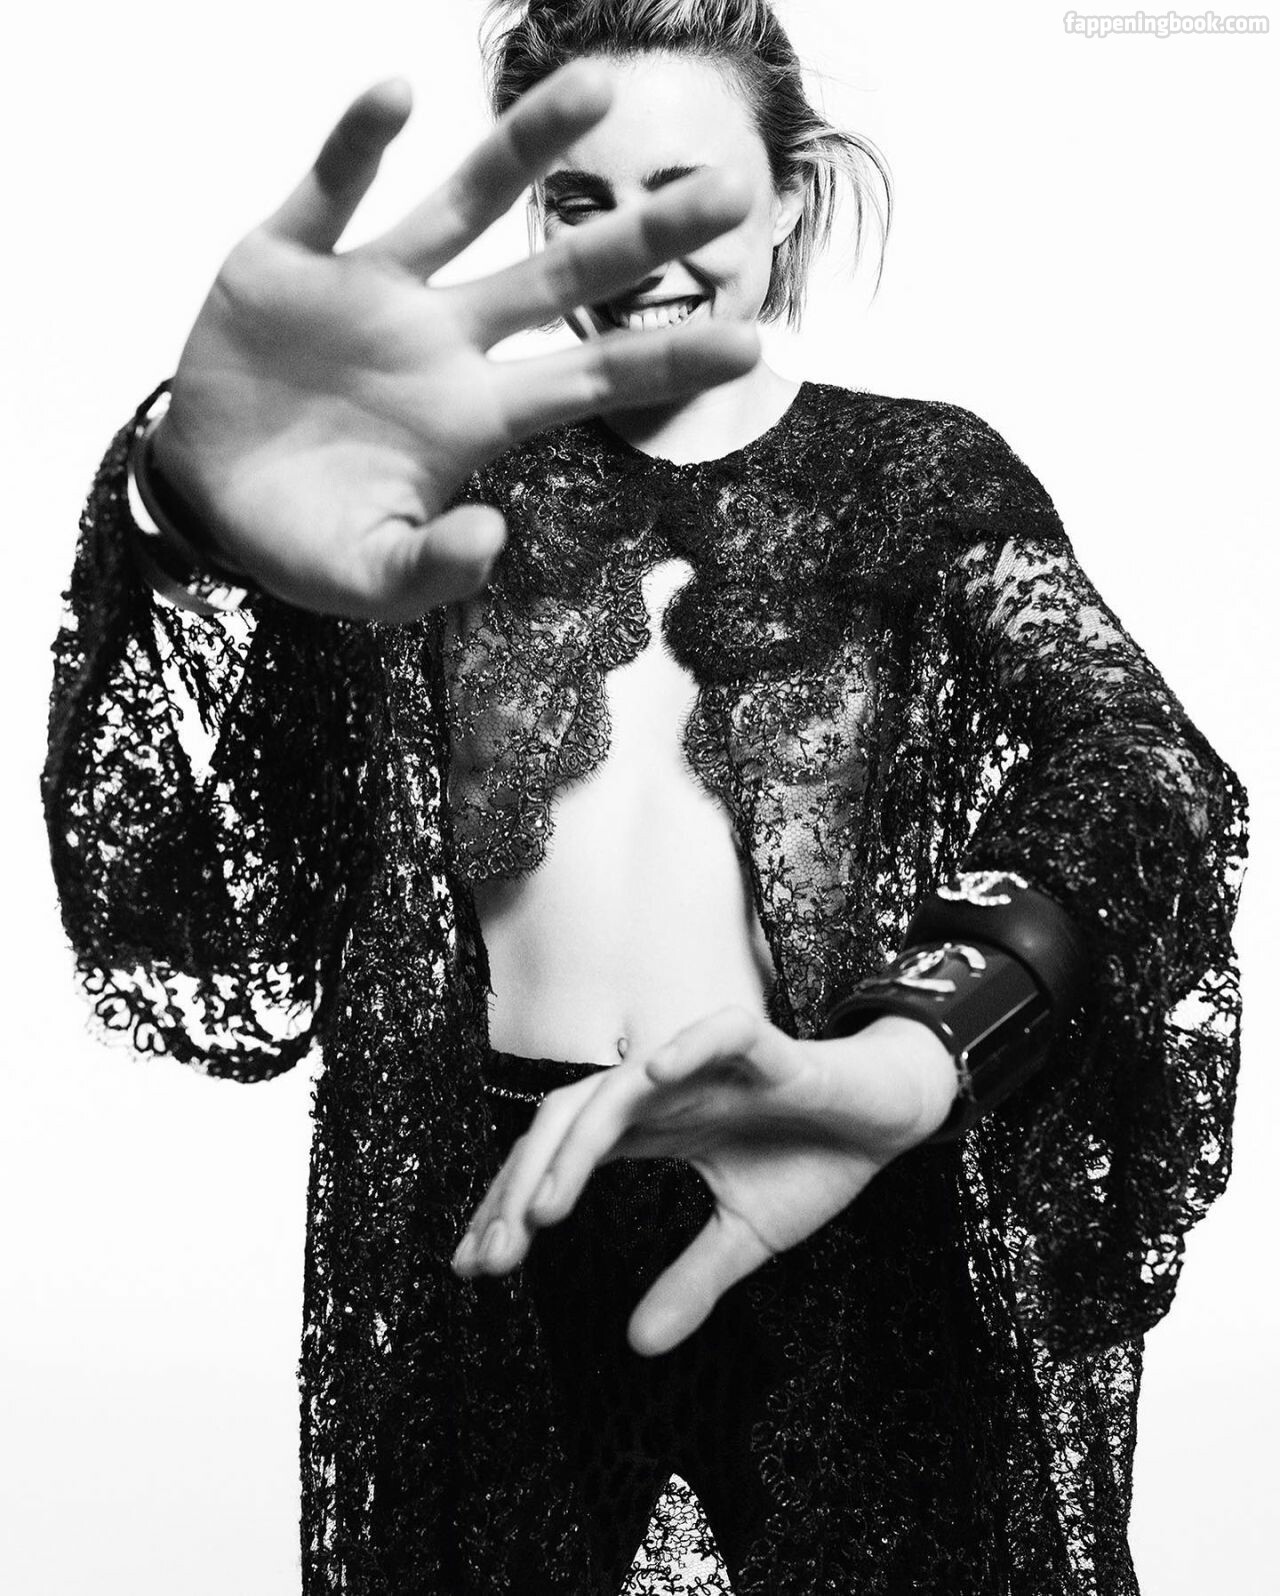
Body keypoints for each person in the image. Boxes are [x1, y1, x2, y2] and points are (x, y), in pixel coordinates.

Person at [40, 2, 1247, 1592]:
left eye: (690, 193)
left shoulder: (920, 480)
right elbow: (213, 889)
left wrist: (923, 1041)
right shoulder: (428, 493)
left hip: (833, 1207)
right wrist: (177, 515)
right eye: (582, 200)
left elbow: (1149, 774)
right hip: (496, 1225)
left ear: (793, 191)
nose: (640, 249)